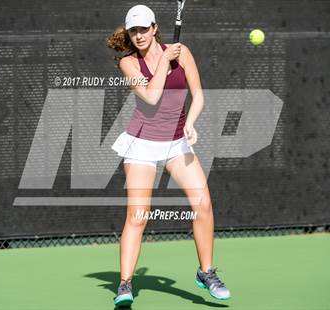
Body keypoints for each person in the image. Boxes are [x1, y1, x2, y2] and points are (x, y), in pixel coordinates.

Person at [106, 4, 231, 307]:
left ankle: (206, 272)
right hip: (142, 144)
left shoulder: (182, 52)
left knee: (203, 203)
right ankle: (124, 284)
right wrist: (163, 61)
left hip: (176, 142)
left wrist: (190, 123)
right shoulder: (128, 64)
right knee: (138, 215)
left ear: (154, 28)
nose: (138, 35)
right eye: (133, 30)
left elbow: (198, 94)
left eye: (143, 29)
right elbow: (151, 96)